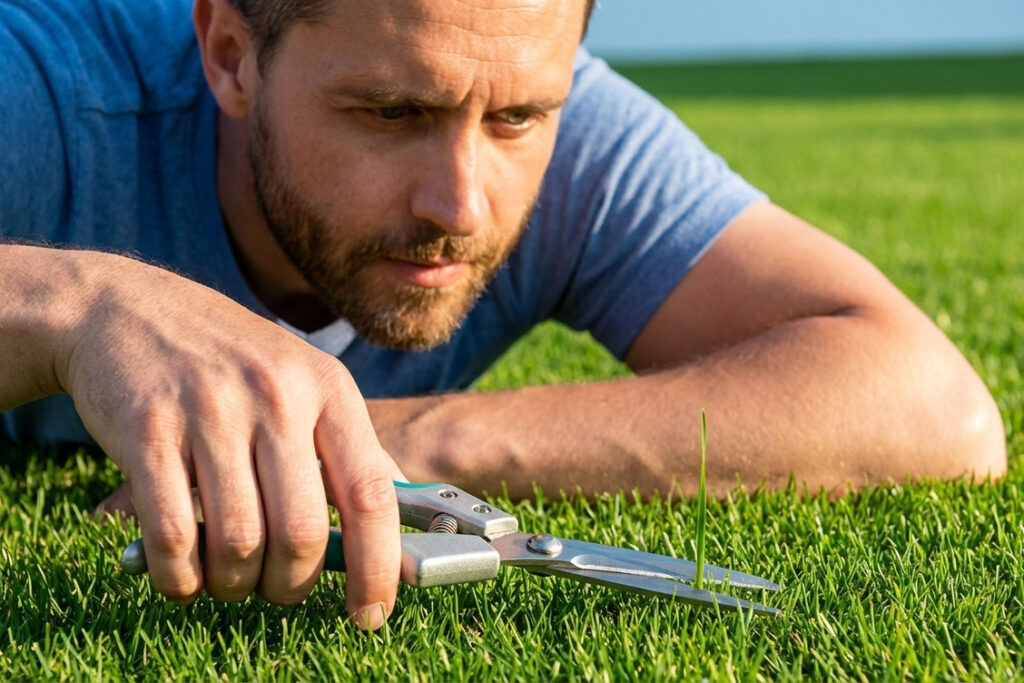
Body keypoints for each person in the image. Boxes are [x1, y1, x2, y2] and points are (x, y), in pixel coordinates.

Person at [0, 0, 1005, 628]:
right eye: (390, 113)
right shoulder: (39, 96)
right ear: (229, 54)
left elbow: (930, 404)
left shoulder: (554, 123)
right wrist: (82, 304)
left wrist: (395, 436)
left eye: (519, 118)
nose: (462, 205)